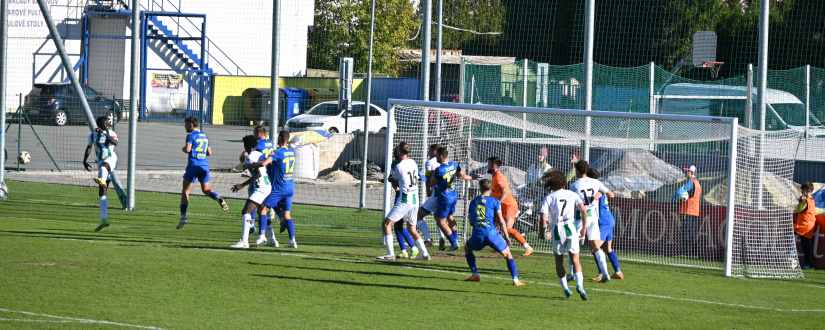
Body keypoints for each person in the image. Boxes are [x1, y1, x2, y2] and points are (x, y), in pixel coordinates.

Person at [463, 179, 525, 286]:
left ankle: (475, 274)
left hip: (478, 234)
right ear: (491, 189)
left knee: (467, 248)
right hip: (492, 234)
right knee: (507, 254)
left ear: (480, 188)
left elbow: (471, 222)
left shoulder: (473, 202)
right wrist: (506, 235)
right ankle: (515, 280)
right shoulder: (495, 201)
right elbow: (501, 221)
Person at [539, 169, 589, 300]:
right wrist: (584, 228)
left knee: (559, 261)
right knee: (575, 260)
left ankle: (566, 288)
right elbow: (584, 211)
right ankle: (580, 285)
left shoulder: (548, 198)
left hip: (557, 230)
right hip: (571, 229)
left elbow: (543, 218)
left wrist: (541, 232)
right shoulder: (572, 194)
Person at [376, 142, 432, 261]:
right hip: (414, 199)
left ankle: (390, 254)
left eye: (397, 150)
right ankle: (426, 255)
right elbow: (419, 176)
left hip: (405, 199)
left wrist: (390, 179)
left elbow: (392, 178)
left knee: (386, 224)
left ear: (400, 152)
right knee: (412, 229)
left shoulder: (399, 166)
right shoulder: (412, 162)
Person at [246, 131, 298, 248]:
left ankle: (261, 236)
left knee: (262, 210)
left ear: (280, 138)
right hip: (290, 187)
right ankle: (292, 242)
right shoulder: (292, 152)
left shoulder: (278, 152)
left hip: (279, 188)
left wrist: (249, 165)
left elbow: (264, 163)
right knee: (287, 216)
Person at [178, 116, 228, 229]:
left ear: (191, 125)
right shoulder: (205, 136)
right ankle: (218, 198)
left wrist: (183, 149)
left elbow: (187, 149)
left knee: (185, 191)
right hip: (204, 166)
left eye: (186, 124)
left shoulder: (190, 135)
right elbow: (209, 152)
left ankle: (183, 217)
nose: (185, 126)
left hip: (193, 166)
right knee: (206, 189)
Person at [569, 160, 612, 282]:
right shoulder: (595, 182)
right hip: (594, 217)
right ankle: (605, 274)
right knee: (596, 247)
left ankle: (572, 273)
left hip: (582, 218)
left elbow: (573, 202)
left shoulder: (574, 185)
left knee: (572, 243)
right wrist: (598, 194)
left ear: (577, 171)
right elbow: (610, 193)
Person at [433, 147, 482, 252]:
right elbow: (462, 176)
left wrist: (432, 176)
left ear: (441, 156)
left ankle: (454, 242)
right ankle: (456, 241)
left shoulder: (439, 169)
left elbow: (432, 183)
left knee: (440, 221)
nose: (435, 157)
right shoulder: (454, 164)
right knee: (450, 217)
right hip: (453, 195)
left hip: (444, 197)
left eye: (436, 155)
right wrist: (473, 177)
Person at [229, 135, 272, 248]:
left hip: (261, 188)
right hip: (267, 185)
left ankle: (244, 242)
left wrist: (242, 185)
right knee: (261, 211)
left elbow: (258, 174)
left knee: (246, 211)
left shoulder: (250, 157)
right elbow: (269, 166)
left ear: (246, 145)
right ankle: (272, 239)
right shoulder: (259, 154)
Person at [487, 156, 534, 256]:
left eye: (489, 164)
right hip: (502, 206)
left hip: (509, 205)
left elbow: (504, 194)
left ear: (494, 166)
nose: (487, 166)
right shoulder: (494, 177)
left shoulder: (499, 177)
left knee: (507, 228)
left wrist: (496, 204)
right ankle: (499, 247)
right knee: (494, 226)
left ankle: (528, 247)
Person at [83, 116, 118, 232]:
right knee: (102, 192)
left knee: (104, 168)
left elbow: (115, 143)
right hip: (100, 161)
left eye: (107, 123)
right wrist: (84, 160)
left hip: (110, 159)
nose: (107, 125)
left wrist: (104, 133)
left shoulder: (111, 132)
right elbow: (89, 147)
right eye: (104, 124)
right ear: (99, 124)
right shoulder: (92, 135)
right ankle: (104, 219)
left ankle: (101, 179)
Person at [587, 168, 623, 280]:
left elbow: (605, 193)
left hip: (604, 222)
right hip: (609, 220)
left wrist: (597, 196)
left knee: (594, 248)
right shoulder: (599, 186)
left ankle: (601, 274)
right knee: (608, 249)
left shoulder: (596, 188)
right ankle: (618, 272)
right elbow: (609, 193)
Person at [415, 143, 442, 248]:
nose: (428, 153)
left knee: (419, 215)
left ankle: (428, 239)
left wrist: (428, 190)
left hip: (435, 194)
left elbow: (428, 178)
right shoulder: (445, 162)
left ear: (434, 152)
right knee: (439, 217)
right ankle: (442, 239)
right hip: (445, 194)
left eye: (429, 151)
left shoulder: (430, 162)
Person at [671, 165, 701, 258]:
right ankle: (694, 253)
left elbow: (680, 191)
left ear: (692, 173)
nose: (686, 173)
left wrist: (673, 199)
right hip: (695, 211)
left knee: (685, 231)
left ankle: (684, 252)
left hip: (688, 210)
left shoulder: (690, 183)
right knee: (692, 232)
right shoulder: (698, 184)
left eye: (688, 171)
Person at [793, 182, 816, 269]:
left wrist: (800, 200)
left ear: (808, 190)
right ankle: (807, 264)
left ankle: (790, 252)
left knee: (787, 232)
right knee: (805, 244)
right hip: (810, 224)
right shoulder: (812, 200)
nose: (802, 192)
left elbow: (799, 210)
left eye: (803, 190)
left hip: (804, 225)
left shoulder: (805, 201)